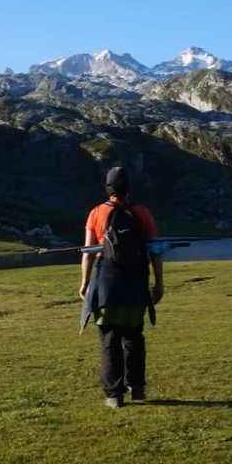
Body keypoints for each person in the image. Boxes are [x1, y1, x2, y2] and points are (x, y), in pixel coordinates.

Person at [78, 166, 164, 408]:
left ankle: (114, 395)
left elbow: (87, 253)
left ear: (108, 188)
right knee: (134, 336)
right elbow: (155, 251)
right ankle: (137, 387)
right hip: (136, 283)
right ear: (128, 188)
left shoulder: (96, 213)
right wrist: (159, 283)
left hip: (107, 285)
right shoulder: (142, 213)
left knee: (109, 339)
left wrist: (84, 283)